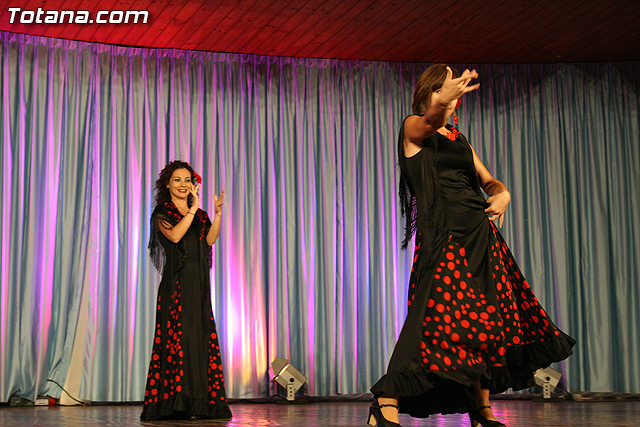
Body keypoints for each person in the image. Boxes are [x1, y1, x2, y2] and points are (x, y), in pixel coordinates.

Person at [369, 65, 575, 427]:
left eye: (453, 92)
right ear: (429, 93)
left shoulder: (459, 138)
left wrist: (503, 192)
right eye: (442, 90)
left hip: (480, 233)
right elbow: (430, 120)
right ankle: (385, 399)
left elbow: (488, 181)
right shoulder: (413, 127)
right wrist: (440, 104)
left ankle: (481, 408)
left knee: (488, 318)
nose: (450, 97)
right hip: (443, 236)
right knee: (431, 320)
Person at [141, 160, 232, 421]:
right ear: (168, 184)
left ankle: (199, 403)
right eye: (177, 180)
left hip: (199, 286)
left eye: (187, 180)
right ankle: (177, 404)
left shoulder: (200, 214)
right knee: (178, 342)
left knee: (198, 341)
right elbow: (175, 236)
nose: (183, 185)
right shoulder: (163, 212)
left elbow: (209, 240)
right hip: (177, 287)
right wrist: (192, 210)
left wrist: (217, 214)